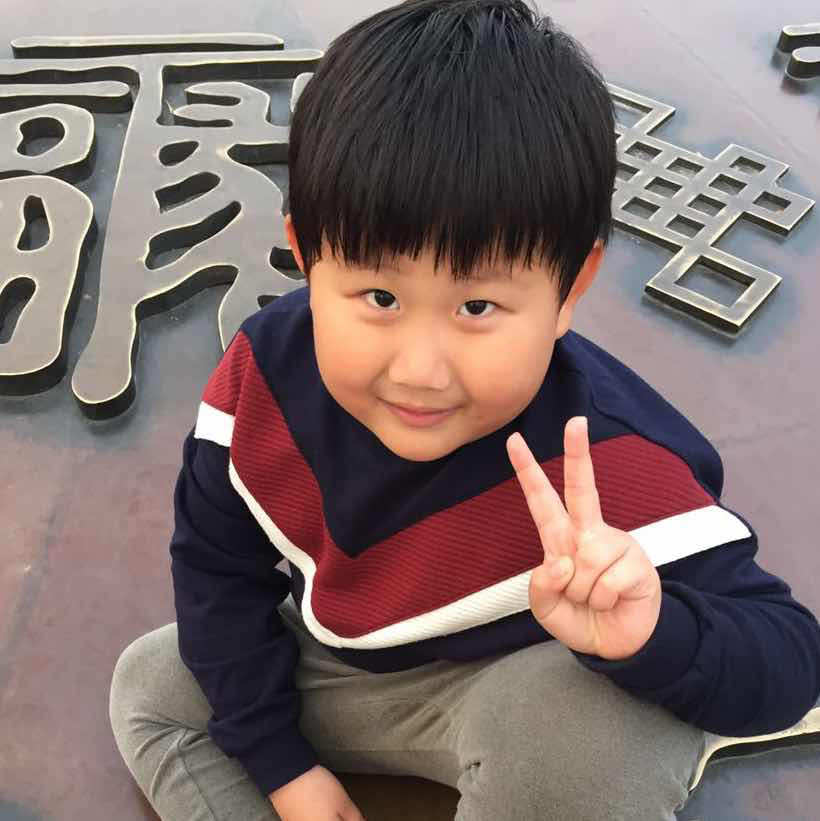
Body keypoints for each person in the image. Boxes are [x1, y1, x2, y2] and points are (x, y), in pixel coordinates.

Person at [108, 1, 820, 819]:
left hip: (532, 689)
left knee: (587, 752)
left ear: (571, 288)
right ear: (306, 254)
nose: (419, 370)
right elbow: (216, 569)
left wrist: (654, 633)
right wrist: (281, 766)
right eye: (379, 296)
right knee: (150, 686)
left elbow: (791, 659)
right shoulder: (263, 380)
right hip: (347, 666)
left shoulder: (610, 462)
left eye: (477, 307)